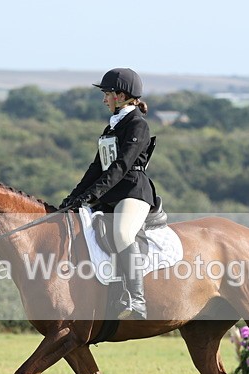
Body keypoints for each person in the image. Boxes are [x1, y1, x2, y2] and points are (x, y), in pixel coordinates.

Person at [59, 67, 156, 320]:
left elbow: (121, 166)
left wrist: (92, 196)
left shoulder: (137, 126)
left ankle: (137, 299)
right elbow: (96, 167)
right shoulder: (111, 127)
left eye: (107, 94)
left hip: (133, 191)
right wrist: (73, 198)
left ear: (121, 96)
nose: (104, 99)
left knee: (122, 233)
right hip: (110, 194)